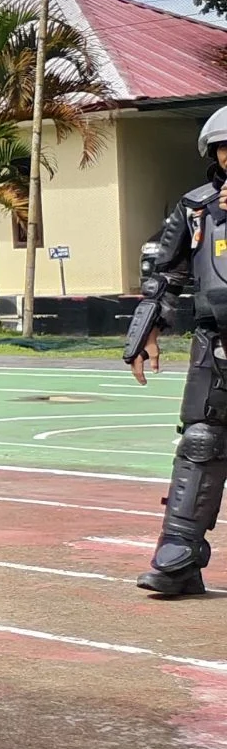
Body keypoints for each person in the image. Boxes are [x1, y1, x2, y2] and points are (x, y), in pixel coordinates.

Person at [129, 105, 227, 596]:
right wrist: (145, 333)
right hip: (216, 344)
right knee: (201, 442)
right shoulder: (197, 208)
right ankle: (179, 559)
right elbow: (165, 275)